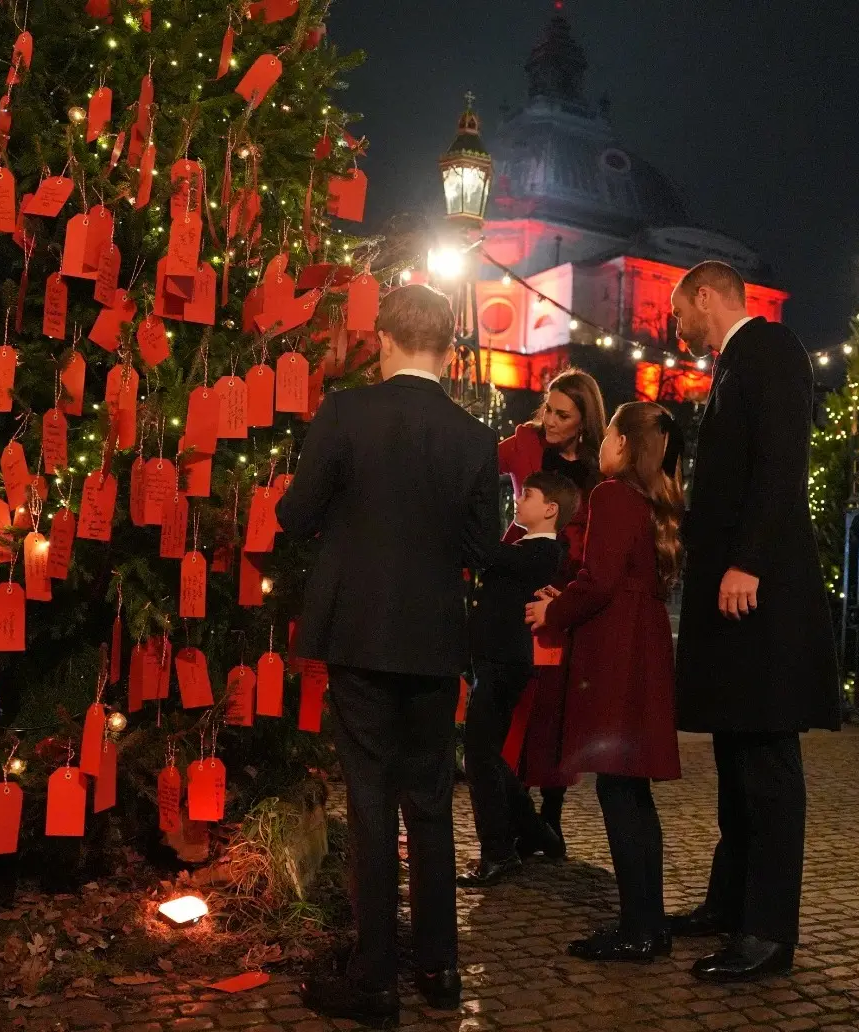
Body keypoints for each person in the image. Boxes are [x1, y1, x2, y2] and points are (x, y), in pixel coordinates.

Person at [277, 283, 500, 1027]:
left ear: (384, 337)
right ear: (447, 344)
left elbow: (297, 515)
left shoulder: (346, 413)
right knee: (431, 801)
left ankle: (375, 979)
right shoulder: (473, 437)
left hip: (361, 631)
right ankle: (438, 965)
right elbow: (478, 548)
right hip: (436, 637)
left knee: (370, 800)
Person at [669, 261, 841, 983]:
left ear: (705, 297)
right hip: (737, 595)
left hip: (758, 596)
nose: (675, 328)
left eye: (679, 313)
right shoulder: (737, 362)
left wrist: (748, 561)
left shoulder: (769, 350)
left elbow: (780, 465)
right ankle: (730, 903)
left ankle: (769, 932)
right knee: (738, 759)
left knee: (765, 762)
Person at [527, 402, 684, 962]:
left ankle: (639, 927)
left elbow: (598, 581)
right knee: (631, 792)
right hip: (640, 650)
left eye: (609, 436)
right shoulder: (650, 499)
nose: (601, 445)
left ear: (622, 444)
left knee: (620, 791)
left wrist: (553, 612)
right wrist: (566, 599)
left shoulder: (611, 495)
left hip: (617, 657)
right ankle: (649, 921)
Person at [497, 369, 606, 842]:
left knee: (556, 706)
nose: (552, 420)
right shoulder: (525, 443)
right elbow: (478, 465)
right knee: (517, 700)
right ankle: (519, 813)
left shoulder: (599, 467)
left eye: (564, 415)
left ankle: (551, 813)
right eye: (549, 408)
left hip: (567, 592)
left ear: (584, 421)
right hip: (523, 580)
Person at [459, 471, 580, 887]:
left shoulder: (544, 552)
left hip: (505, 662)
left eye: (526, 495)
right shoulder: (526, 547)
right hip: (492, 659)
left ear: (550, 509)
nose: (518, 500)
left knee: (478, 754)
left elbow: (487, 554)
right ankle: (532, 831)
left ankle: (499, 851)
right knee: (484, 753)